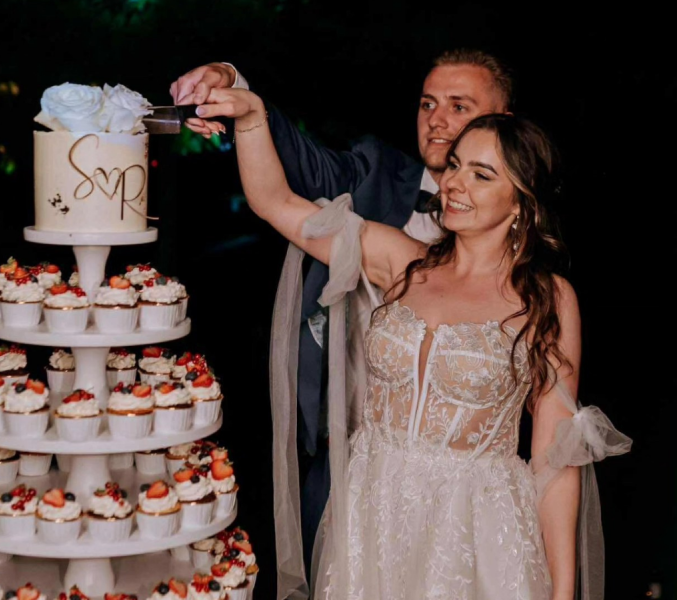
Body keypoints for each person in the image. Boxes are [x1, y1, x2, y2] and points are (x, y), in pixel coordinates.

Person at [193, 85, 632, 600]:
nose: (454, 183)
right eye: (455, 166)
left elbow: (556, 460)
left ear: (521, 202)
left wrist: (563, 592)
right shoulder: (402, 261)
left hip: (477, 529)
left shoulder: (547, 299)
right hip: (373, 512)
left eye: (481, 175)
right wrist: (251, 116)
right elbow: (274, 203)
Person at [171, 50, 516, 578]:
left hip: (472, 501)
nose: (437, 120)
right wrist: (246, 104)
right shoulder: (396, 236)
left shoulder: (537, 290)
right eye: (427, 104)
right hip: (351, 462)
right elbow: (279, 196)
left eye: (459, 106)